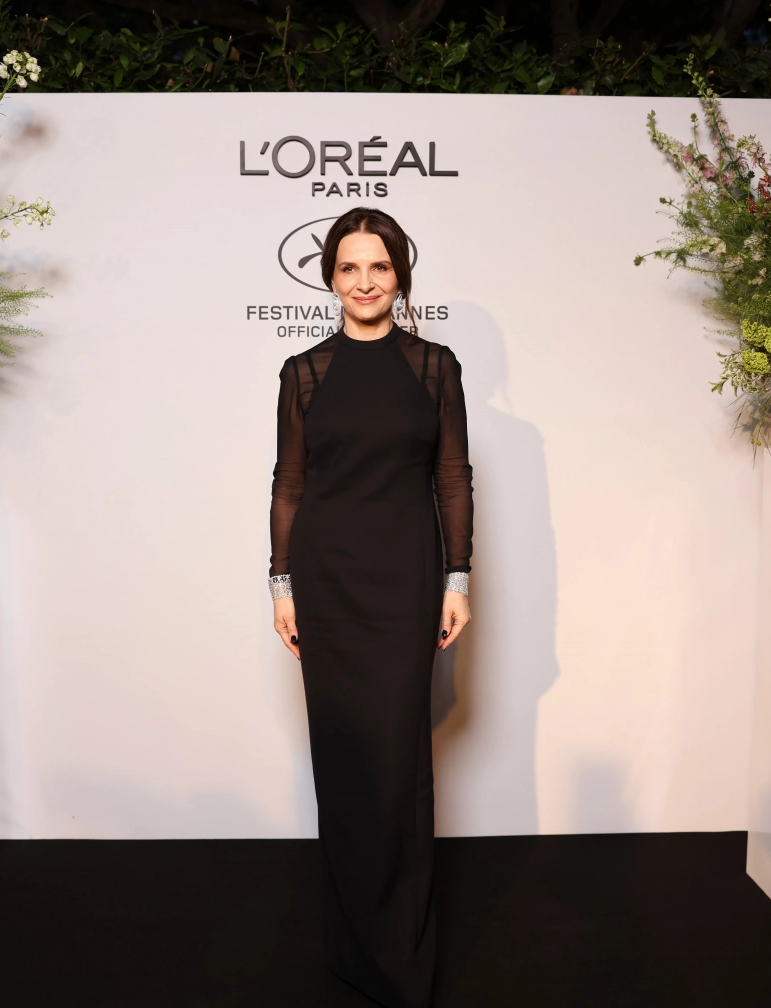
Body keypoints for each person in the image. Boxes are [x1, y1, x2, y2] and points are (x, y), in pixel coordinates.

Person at [268, 207, 473, 1008]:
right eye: (349, 268)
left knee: (397, 766)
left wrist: (458, 578)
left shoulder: (434, 368)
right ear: (330, 278)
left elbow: (451, 478)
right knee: (345, 761)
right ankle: (353, 946)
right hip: (327, 584)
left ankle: (402, 956)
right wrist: (282, 586)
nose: (364, 282)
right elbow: (290, 485)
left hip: (406, 582)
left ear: (400, 276)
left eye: (379, 267)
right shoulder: (303, 373)